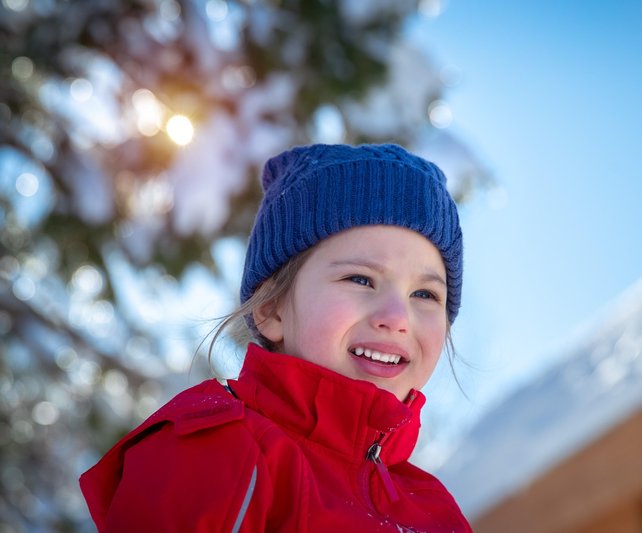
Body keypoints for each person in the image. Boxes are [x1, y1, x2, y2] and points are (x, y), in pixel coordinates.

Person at [79, 143, 472, 532]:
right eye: (361, 279)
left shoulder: (432, 507)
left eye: (425, 294)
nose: (397, 318)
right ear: (270, 309)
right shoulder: (219, 452)